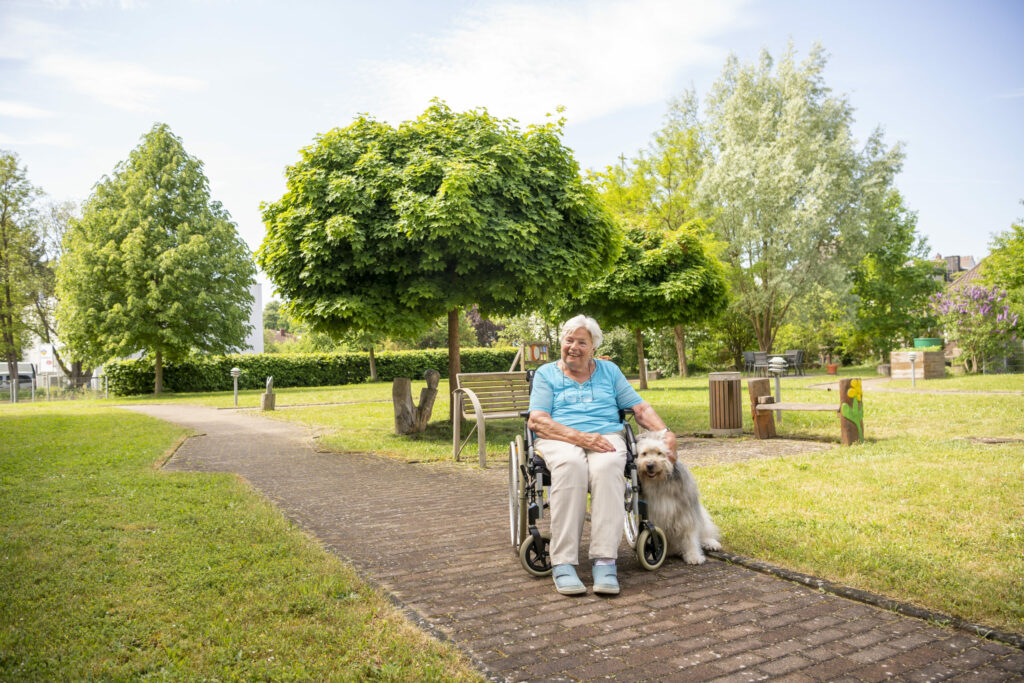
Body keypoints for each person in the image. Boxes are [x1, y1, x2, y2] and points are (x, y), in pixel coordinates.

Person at [528, 315, 677, 596]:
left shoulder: (610, 372)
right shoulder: (547, 374)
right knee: (571, 465)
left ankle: (605, 560)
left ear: (593, 347)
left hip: (607, 436)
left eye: (581, 342)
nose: (573, 347)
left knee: (609, 467)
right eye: (568, 340)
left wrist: (666, 433)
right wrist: (581, 438)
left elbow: (641, 409)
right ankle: (562, 562)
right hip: (559, 437)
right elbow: (537, 421)